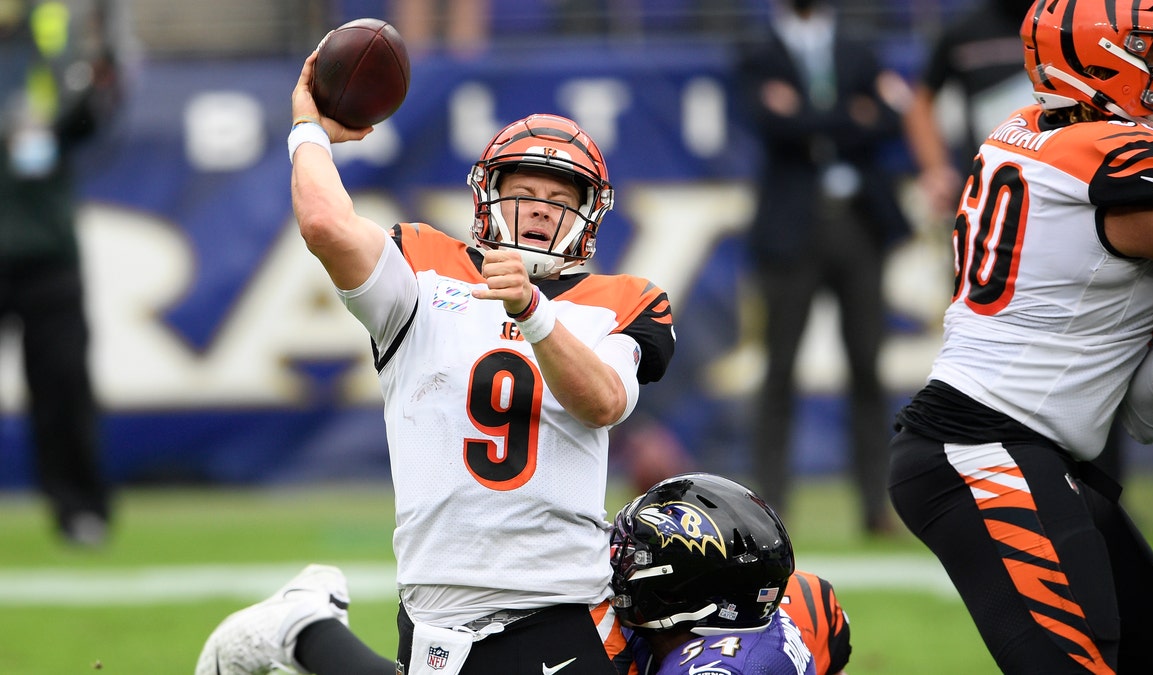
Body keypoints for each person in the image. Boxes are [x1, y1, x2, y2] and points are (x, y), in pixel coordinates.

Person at [198, 49, 677, 673]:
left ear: (588, 214)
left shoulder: (623, 300)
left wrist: (534, 313)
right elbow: (323, 224)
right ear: (487, 199)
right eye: (523, 192)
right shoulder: (424, 266)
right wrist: (309, 130)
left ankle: (306, 634)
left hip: (562, 599)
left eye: (559, 198)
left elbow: (605, 401)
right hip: (435, 602)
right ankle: (306, 629)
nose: (538, 208)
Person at [886, 0, 1153, 672]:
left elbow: (1143, 415)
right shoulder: (1116, 156)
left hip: (1032, 450)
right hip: (985, 448)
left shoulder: (1026, 129)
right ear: (1108, 64)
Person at [195, 472, 852, 675]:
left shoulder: (706, 663)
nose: (615, 562)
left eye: (634, 556)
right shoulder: (789, 597)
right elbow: (829, 622)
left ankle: (305, 625)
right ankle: (306, 626)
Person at [733, 0, 911, 533]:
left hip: (859, 221)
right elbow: (768, 124)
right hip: (792, 227)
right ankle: (771, 507)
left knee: (867, 367)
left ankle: (876, 507)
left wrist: (805, 113)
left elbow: (891, 119)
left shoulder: (858, 48)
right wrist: (847, 115)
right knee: (780, 368)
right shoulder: (756, 52)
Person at [0, 0, 127, 546]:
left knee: (63, 384)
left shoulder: (53, 37)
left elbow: (85, 119)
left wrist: (101, 77)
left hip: (46, 247)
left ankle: (79, 510)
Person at [608, 472, 849, 675]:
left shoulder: (713, 667)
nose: (617, 559)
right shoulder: (805, 599)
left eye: (636, 557)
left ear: (679, 591)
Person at [903, 0, 1031, 220]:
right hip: (989, 186)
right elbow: (920, 103)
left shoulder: (1072, 28)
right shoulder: (964, 32)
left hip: (1062, 175)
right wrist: (936, 171)